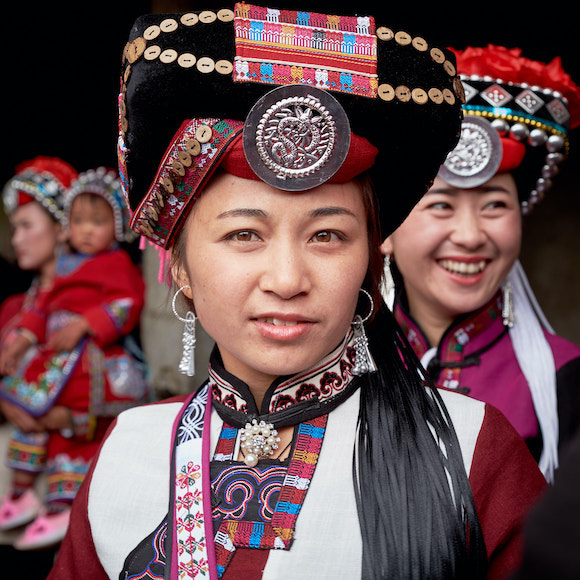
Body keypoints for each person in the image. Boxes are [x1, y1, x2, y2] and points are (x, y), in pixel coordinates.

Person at [49, 5, 545, 579]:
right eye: (243, 234)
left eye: (327, 235)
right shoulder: (127, 450)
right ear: (180, 266)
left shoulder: (473, 452)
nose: (286, 280)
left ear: (368, 259)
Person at [381, 44, 580, 483]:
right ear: (386, 231)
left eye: (494, 205)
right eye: (440, 206)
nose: (471, 236)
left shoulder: (568, 380)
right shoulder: (338, 370)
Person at [0, 167, 150, 550]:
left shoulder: (115, 264)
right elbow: (42, 310)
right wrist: (19, 344)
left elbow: (127, 301)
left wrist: (86, 323)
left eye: (96, 223)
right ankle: (20, 493)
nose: (85, 231)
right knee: (30, 416)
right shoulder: (64, 270)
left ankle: (62, 502)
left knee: (71, 428)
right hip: (54, 360)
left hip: (85, 360)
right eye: (78, 222)